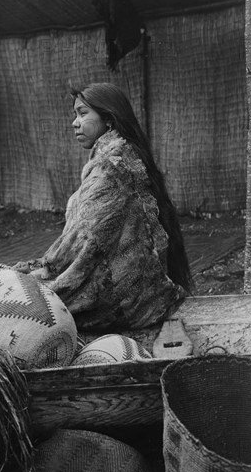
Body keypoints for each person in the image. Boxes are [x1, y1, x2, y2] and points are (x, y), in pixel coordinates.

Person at [14, 83, 191, 331]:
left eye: (83, 113)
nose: (75, 122)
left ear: (108, 119)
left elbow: (84, 239)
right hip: (138, 291)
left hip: (125, 300)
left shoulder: (112, 165)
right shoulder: (122, 154)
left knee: (20, 300)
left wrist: (44, 270)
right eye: (75, 114)